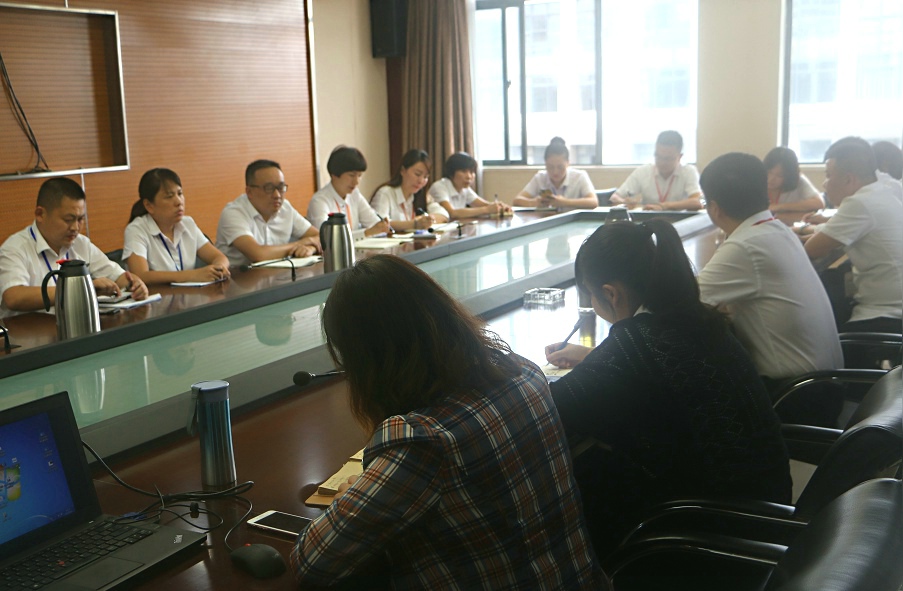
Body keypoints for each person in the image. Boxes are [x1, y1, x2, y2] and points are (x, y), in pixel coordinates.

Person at [291, 255, 607, 590]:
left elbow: (313, 560)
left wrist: (352, 495)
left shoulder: (423, 441)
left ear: (367, 361)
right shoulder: (524, 372)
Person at [544, 220, 791, 558]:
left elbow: (550, 410)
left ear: (611, 294)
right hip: (767, 510)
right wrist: (593, 357)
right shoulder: (698, 318)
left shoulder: (632, 347)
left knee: (580, 473)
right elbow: (662, 369)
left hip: (709, 533)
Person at [697, 153, 842, 380]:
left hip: (795, 391)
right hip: (824, 380)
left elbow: (680, 302)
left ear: (715, 208)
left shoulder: (745, 245)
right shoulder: (777, 229)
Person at [0, 178, 149, 317]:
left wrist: (135, 285)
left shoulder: (80, 243)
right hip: (31, 333)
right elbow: (13, 297)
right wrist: (82, 289)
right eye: (68, 219)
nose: (75, 228)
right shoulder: (15, 248)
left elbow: (118, 276)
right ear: (40, 214)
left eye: (80, 219)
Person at [800, 137, 902, 335]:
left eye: (828, 175)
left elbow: (811, 249)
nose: (824, 184)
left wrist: (802, 232)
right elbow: (836, 232)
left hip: (885, 316)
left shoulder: (860, 203)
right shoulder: (887, 188)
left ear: (848, 179)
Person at [123, 168, 231, 285]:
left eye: (180, 194)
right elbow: (141, 275)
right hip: (157, 296)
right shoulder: (136, 229)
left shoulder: (188, 223)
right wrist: (193, 275)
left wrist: (219, 268)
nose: (179, 202)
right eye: (169, 196)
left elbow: (219, 257)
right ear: (149, 205)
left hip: (189, 294)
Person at [215, 159, 320, 267]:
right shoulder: (233, 213)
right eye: (269, 188)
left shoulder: (285, 208)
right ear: (249, 192)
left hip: (279, 273)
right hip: (238, 276)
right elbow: (258, 254)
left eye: (280, 188)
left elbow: (320, 237)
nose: (277, 195)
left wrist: (311, 248)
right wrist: (300, 244)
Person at [306, 146, 391, 238]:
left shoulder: (355, 194)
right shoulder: (319, 201)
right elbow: (328, 237)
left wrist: (382, 226)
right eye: (351, 175)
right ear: (334, 175)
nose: (356, 182)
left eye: (359, 176)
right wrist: (366, 233)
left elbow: (376, 225)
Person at [610, 130, 702, 211]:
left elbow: (697, 202)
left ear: (680, 157)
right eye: (658, 157)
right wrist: (624, 203)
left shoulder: (689, 172)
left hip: (680, 221)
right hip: (649, 221)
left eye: (667, 159)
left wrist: (663, 206)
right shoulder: (643, 172)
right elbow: (614, 198)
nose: (662, 162)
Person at [370, 149, 446, 231]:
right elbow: (378, 224)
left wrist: (429, 219)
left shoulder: (421, 195)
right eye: (417, 174)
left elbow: (444, 215)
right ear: (403, 170)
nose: (421, 181)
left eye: (425, 177)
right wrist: (414, 224)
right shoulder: (385, 193)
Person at [513, 137, 598, 209]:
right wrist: (534, 202)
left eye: (560, 167)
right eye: (550, 167)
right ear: (545, 163)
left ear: (568, 163)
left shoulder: (579, 177)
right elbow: (517, 200)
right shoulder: (540, 178)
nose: (555, 172)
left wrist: (565, 202)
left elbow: (593, 202)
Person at [429, 152, 512, 219]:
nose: (469, 176)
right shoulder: (439, 186)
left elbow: (484, 204)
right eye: (464, 171)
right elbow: (452, 213)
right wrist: (487, 210)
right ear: (451, 172)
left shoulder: (465, 188)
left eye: (472, 172)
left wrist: (500, 207)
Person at [762, 147, 824, 213]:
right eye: (769, 172)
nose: (771, 179)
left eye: (779, 175)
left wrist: (780, 207)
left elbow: (819, 203)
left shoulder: (798, 180)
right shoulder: (757, 180)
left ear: (789, 176)